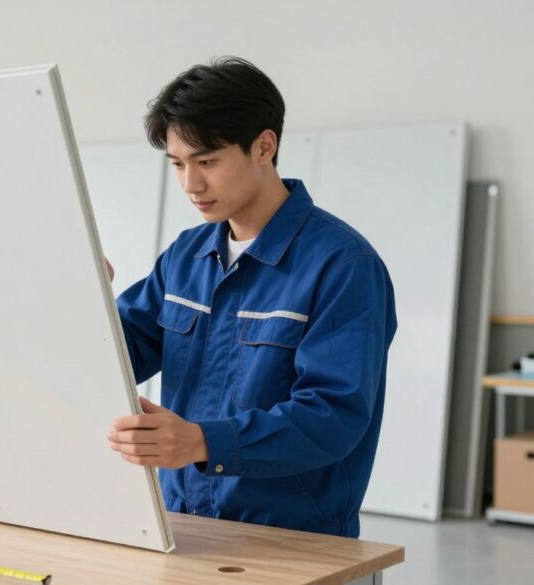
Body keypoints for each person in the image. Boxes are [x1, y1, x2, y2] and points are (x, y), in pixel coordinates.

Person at [105, 57, 397, 538]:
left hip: (294, 538)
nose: (190, 185)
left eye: (207, 161)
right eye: (178, 164)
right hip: (181, 525)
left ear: (264, 146)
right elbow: (121, 352)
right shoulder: (187, 255)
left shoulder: (343, 266)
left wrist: (202, 443)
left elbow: (333, 415)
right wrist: (84, 305)